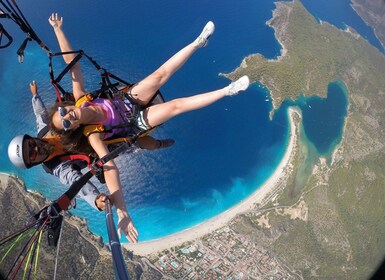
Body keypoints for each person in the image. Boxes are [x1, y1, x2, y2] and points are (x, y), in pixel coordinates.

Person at [47, 13, 250, 243]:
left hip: (124, 101)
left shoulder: (81, 98)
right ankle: (228, 91)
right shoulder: (91, 133)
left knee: (160, 74)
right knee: (175, 106)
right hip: (134, 123)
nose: (67, 116)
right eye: (65, 122)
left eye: (63, 112)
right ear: (72, 128)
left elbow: (72, 64)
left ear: (66, 106)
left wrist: (57, 30)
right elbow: (110, 168)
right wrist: (123, 212)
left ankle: (198, 42)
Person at [8, 81, 174, 210]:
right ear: (33, 163)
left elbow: (40, 114)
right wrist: (96, 200)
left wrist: (35, 95)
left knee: (119, 94)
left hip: (91, 121)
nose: (35, 149)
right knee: (140, 142)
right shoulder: (59, 167)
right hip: (103, 145)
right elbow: (77, 183)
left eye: (30, 144)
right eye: (31, 154)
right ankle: (159, 144)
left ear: (31, 139)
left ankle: (139, 94)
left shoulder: (44, 131)